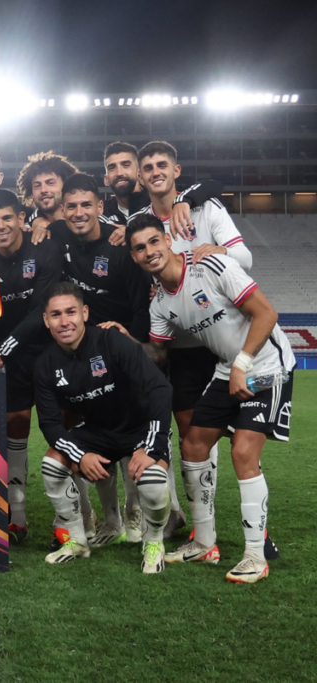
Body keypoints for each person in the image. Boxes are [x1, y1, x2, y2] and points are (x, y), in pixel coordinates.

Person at [128, 215, 294, 583]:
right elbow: (157, 353)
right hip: (227, 368)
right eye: (140, 248)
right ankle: (204, 543)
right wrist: (122, 341)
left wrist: (243, 363)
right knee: (193, 444)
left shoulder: (211, 264)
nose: (150, 251)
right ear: (135, 257)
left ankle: (255, 555)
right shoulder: (160, 306)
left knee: (242, 453)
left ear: (168, 240)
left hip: (266, 362)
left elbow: (266, 313)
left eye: (154, 241)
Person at [129, 140, 256, 541]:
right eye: (146, 166)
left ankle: (250, 528)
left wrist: (211, 251)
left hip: (220, 340)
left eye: (161, 164)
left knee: (238, 437)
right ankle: (198, 524)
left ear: (176, 170)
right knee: (191, 437)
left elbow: (246, 260)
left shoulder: (204, 207)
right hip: (179, 346)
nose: (154, 171)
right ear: (140, 176)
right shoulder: (139, 222)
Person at [38, 173, 155, 543]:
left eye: (86, 204)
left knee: (128, 432)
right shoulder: (59, 237)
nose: (78, 212)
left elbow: (140, 308)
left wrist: (132, 343)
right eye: (70, 206)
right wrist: (39, 222)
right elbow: (41, 225)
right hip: (83, 352)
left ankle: (137, 512)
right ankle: (111, 519)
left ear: (100, 207)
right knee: (97, 432)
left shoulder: (121, 247)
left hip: (122, 350)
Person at [34, 282, 173, 573]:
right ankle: (77, 541)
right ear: (46, 320)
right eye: (56, 314)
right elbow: (49, 423)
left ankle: (154, 541)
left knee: (151, 479)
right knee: (52, 462)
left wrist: (153, 445)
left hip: (139, 428)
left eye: (71, 312)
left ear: (84, 312)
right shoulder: (45, 364)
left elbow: (160, 388)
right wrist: (81, 455)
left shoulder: (112, 342)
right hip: (98, 431)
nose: (64, 321)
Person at [0, 190, 71, 544]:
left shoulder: (44, 248)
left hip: (49, 355)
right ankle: (17, 516)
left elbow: (43, 308)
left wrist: (6, 348)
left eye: (7, 218)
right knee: (16, 426)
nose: (1, 226)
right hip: (7, 359)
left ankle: (70, 519)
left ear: (20, 218)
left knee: (61, 433)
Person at [16, 151, 79, 228]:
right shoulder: (25, 232)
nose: (43, 190)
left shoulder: (88, 223)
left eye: (50, 183)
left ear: (67, 185)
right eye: (37, 185)